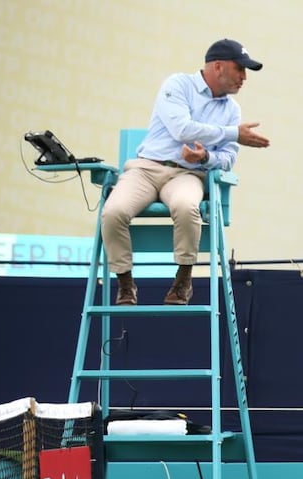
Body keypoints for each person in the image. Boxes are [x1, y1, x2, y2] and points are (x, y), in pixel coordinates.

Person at [102, 38, 271, 305]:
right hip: (146, 168)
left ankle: (183, 281)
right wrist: (233, 134)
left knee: (186, 207)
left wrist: (206, 156)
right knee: (112, 212)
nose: (244, 77)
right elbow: (182, 129)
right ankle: (125, 283)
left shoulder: (233, 110)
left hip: (188, 174)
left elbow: (228, 159)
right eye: (239, 68)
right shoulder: (178, 84)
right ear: (218, 66)